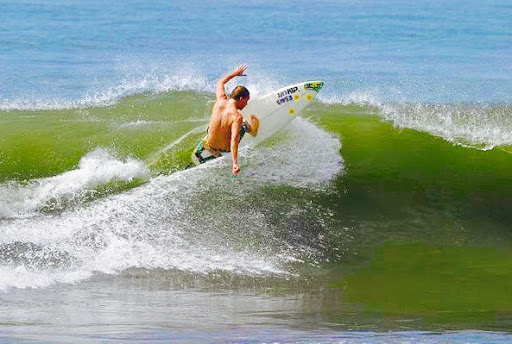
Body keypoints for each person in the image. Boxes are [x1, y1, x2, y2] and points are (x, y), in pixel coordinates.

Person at [194, 64, 259, 174]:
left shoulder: (220, 100)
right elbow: (234, 139)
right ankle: (253, 129)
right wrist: (235, 163)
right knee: (244, 125)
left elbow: (220, 82)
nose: (246, 104)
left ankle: (210, 148)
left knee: (211, 126)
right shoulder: (237, 116)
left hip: (209, 145)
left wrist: (236, 73)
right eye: (246, 101)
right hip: (224, 149)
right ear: (241, 99)